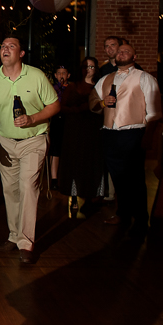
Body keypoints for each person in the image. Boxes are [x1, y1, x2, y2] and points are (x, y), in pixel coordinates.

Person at [0, 37, 60, 263]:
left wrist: (33, 118)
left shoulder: (36, 75)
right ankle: (14, 236)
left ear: (21, 53)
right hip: (5, 142)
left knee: (27, 187)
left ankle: (26, 243)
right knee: (10, 191)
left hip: (34, 140)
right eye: (2, 46)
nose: (5, 49)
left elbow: (54, 105)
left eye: (11, 46)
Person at [89, 43, 161, 237]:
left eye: (126, 51)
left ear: (134, 56)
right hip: (109, 133)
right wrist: (103, 103)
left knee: (135, 178)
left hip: (133, 132)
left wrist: (148, 136)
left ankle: (140, 219)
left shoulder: (144, 78)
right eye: (119, 51)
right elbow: (92, 102)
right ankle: (123, 214)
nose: (121, 53)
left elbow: (154, 112)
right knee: (118, 177)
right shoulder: (105, 79)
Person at [57, 57, 105, 211]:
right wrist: (78, 109)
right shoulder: (73, 86)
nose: (88, 69)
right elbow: (62, 107)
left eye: (91, 66)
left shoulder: (100, 87)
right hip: (74, 129)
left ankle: (91, 196)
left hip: (93, 130)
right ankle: (74, 195)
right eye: (85, 66)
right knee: (74, 160)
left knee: (91, 161)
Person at [48, 65, 70, 189]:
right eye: (59, 73)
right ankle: (54, 178)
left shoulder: (71, 88)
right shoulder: (52, 88)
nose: (61, 75)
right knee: (55, 149)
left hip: (67, 120)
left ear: (68, 75)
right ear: (56, 75)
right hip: (56, 120)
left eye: (64, 73)